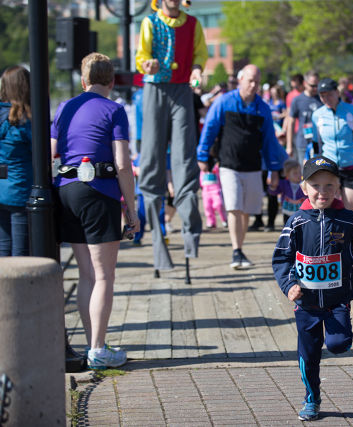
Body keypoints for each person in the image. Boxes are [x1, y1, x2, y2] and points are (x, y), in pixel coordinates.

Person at [51, 53, 139, 369]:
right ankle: (98, 349)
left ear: (83, 79)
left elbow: (53, 154)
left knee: (85, 273)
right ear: (112, 81)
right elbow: (123, 165)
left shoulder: (64, 108)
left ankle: (92, 346)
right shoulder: (115, 111)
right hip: (99, 191)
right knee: (104, 275)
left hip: (67, 189)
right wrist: (131, 209)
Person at [272, 155, 353, 421]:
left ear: (338, 187)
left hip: (338, 298)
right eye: (315, 185)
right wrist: (289, 285)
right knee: (309, 354)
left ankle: (339, 336)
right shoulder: (296, 222)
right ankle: (312, 398)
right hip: (305, 302)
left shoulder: (349, 219)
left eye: (329, 185)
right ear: (304, 188)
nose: (322, 192)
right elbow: (281, 258)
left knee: (338, 344)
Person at [135, 0, 207, 272]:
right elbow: (141, 56)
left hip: (181, 92)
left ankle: (191, 236)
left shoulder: (192, 23)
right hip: (155, 91)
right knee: (152, 164)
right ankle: (157, 246)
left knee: (185, 162)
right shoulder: (150, 22)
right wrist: (147, 64)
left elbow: (200, 55)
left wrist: (198, 70)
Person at [197, 64, 286, 269]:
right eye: (250, 80)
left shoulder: (262, 107)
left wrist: (273, 169)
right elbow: (209, 128)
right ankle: (236, 250)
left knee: (247, 210)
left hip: (253, 166)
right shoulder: (224, 102)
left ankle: (240, 247)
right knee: (234, 207)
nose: (253, 85)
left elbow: (269, 141)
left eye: (256, 81)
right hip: (228, 164)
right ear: (240, 80)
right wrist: (202, 155)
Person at [310, 78, 353, 211]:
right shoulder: (317, 115)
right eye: (322, 95)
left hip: (351, 168)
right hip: (329, 169)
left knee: (348, 211)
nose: (326, 98)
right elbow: (316, 145)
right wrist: (315, 167)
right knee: (330, 210)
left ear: (337, 93)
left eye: (330, 94)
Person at [0, 66, 32, 256]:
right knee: (21, 252)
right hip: (20, 191)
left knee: (3, 249)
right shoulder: (25, 120)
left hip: (1, 189)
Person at [286, 70, 322, 167]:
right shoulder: (297, 100)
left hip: (320, 144)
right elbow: (291, 123)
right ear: (305, 84)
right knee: (305, 175)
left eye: (317, 86)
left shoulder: (322, 99)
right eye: (312, 86)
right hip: (303, 143)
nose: (315, 88)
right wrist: (289, 145)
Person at [268, 158, 305, 226]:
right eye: (295, 173)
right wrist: (273, 187)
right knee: (287, 227)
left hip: (301, 212)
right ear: (287, 175)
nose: (299, 175)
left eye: (300, 172)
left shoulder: (304, 185)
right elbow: (274, 192)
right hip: (287, 211)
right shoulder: (284, 184)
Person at [200, 162, 226, 229]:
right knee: (207, 207)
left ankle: (224, 219)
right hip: (205, 191)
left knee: (219, 204)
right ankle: (211, 222)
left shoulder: (215, 167)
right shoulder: (201, 169)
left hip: (216, 189)